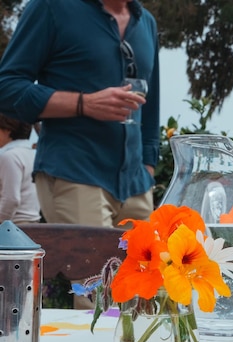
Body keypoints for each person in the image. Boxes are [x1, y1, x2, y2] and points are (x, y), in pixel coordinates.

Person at [0, 0, 160, 227]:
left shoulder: (147, 22)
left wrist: (148, 171)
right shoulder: (50, 8)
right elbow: (6, 88)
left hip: (137, 188)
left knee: (145, 264)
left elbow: (150, 109)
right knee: (91, 264)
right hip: (75, 175)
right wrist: (83, 103)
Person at [0, 114, 40, 224]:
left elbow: (11, 199)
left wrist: (1, 222)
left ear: (7, 130)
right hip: (33, 222)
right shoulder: (32, 154)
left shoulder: (10, 156)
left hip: (15, 225)